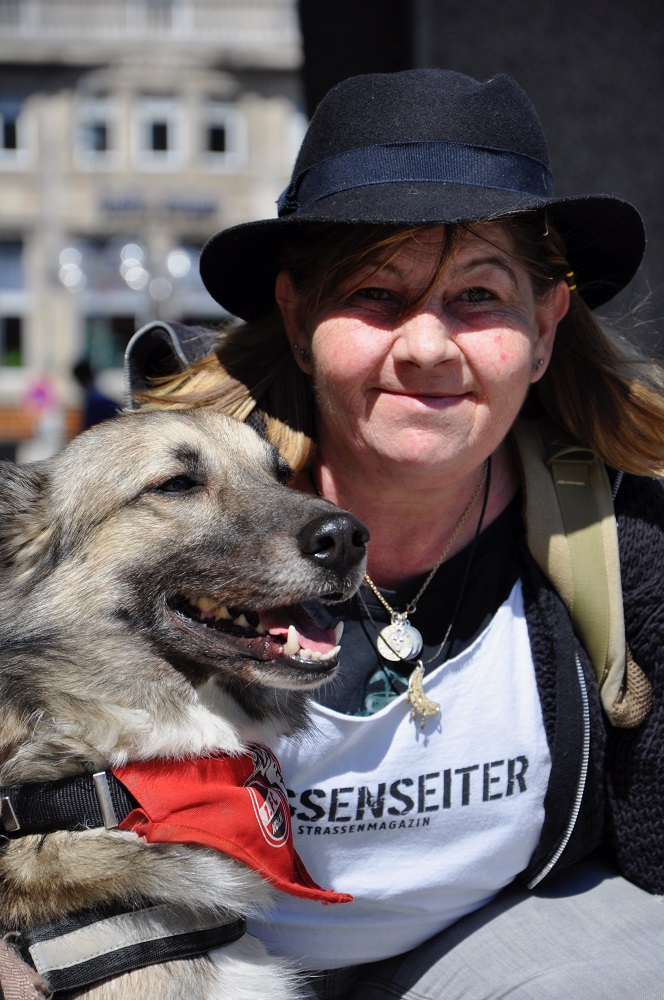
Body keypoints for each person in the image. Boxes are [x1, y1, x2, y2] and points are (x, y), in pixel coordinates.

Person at [131, 69, 664, 998]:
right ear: (298, 322)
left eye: (479, 298)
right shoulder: (159, 523)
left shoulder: (622, 535)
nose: (426, 346)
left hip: (492, 937)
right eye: (378, 295)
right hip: (202, 958)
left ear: (544, 329)